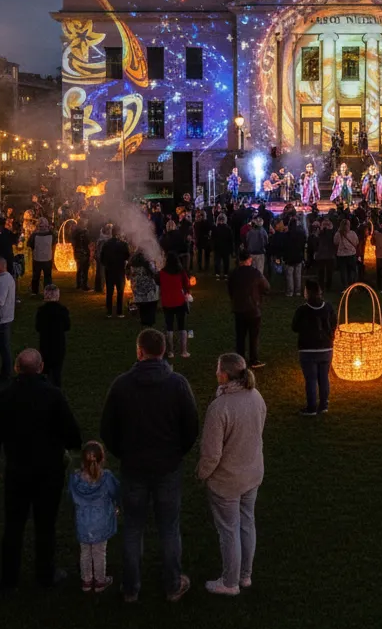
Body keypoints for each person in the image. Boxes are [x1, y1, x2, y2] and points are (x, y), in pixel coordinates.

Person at [100, 328, 200, 604]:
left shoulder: (122, 385)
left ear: (139, 351)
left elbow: (107, 429)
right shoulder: (177, 384)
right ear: (163, 352)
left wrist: (123, 452)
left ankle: (131, 588)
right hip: (166, 466)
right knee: (168, 527)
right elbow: (191, 425)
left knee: (133, 527)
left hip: (135, 466)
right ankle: (171, 585)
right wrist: (177, 451)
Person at [0, 348, 82, 590]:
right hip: (48, 471)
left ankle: (9, 578)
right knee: (45, 524)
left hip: (17, 469)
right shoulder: (53, 396)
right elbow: (72, 435)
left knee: (14, 524)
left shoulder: (2, 397)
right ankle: (45, 574)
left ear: (17, 368)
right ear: (41, 368)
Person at [196, 353, 267, 596]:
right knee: (247, 523)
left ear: (224, 375)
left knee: (229, 530)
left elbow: (211, 453)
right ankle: (245, 575)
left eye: (217, 369)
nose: (215, 373)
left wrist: (202, 474)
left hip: (227, 480)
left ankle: (230, 582)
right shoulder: (256, 397)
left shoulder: (220, 408)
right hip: (252, 473)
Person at [68, 441, 120, 593]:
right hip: (101, 523)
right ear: (101, 459)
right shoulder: (106, 478)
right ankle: (100, 581)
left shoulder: (76, 479)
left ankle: (86, 580)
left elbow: (71, 495)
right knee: (99, 552)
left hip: (83, 522)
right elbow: (116, 492)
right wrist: (116, 505)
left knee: (85, 551)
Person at [291, 279, 337, 416]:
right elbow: (334, 323)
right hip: (326, 348)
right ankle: (323, 405)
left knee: (311, 379)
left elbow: (294, 327)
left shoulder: (302, 310)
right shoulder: (328, 307)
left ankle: (311, 407)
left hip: (308, 349)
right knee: (324, 377)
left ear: (308, 292)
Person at [227, 249, 271, 368]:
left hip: (239, 308)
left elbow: (230, 289)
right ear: (249, 260)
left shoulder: (233, 274)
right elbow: (266, 287)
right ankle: (253, 359)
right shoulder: (255, 273)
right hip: (253, 309)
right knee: (253, 336)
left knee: (240, 336)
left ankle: (240, 360)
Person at [34, 284, 72, 388]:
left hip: (45, 343)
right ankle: (57, 388)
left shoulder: (41, 310)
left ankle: (44, 388)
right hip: (59, 343)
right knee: (57, 370)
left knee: (45, 368)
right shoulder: (62, 310)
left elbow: (38, 327)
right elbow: (67, 326)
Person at [159, 252, 192, 359]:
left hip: (167, 302)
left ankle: (170, 352)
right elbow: (187, 284)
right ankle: (183, 351)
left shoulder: (161, 273)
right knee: (182, 326)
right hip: (179, 301)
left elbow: (158, 282)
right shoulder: (181, 272)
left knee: (169, 327)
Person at [100, 226, 130, 318]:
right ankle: (119, 312)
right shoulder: (123, 244)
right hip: (120, 270)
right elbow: (127, 256)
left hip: (109, 270)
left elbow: (102, 257)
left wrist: (106, 264)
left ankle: (109, 312)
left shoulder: (106, 244)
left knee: (109, 291)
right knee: (120, 291)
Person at [127, 250, 160, 327]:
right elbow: (155, 272)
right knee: (151, 309)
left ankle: (144, 323)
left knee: (142, 309)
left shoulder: (131, 265)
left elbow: (128, 276)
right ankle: (150, 324)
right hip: (150, 292)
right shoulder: (149, 263)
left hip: (138, 291)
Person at [28, 217, 55, 296]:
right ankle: (47, 292)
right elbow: (53, 244)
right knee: (46, 277)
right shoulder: (51, 234)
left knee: (37, 276)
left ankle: (35, 292)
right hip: (45, 258)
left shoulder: (35, 235)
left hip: (39, 258)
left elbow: (30, 244)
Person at [283, 218, 306, 297]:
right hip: (298, 255)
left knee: (289, 275)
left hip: (289, 256)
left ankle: (290, 291)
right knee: (298, 274)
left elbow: (284, 246)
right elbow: (303, 244)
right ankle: (298, 291)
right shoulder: (301, 233)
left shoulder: (286, 235)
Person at [334, 219, 358, 290]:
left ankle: (345, 286)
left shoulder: (338, 234)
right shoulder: (353, 233)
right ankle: (352, 286)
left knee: (343, 271)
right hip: (351, 254)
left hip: (341, 255)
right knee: (352, 271)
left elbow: (335, 242)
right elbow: (356, 242)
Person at [212, 214, 235, 280]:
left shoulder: (215, 228)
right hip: (226, 248)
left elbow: (213, 239)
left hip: (217, 248)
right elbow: (231, 240)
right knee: (226, 262)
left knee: (217, 262)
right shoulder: (228, 229)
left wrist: (213, 247)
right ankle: (225, 274)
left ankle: (217, 274)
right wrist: (231, 250)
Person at [72, 222, 91, 291]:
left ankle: (79, 284)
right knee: (84, 269)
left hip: (78, 252)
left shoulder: (75, 233)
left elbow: (73, 243)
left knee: (79, 269)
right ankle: (84, 285)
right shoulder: (83, 233)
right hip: (83, 252)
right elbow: (87, 241)